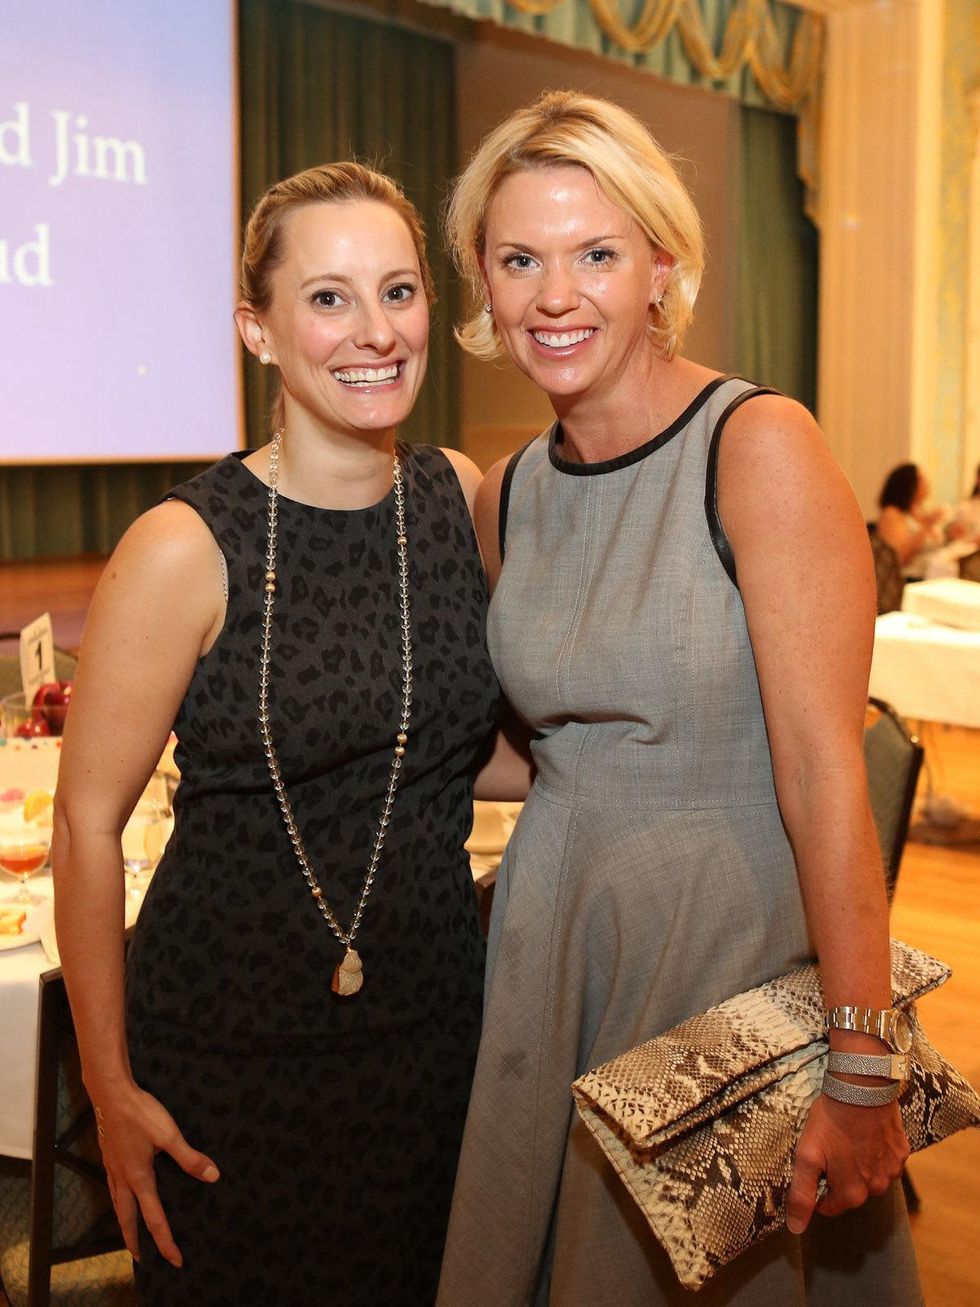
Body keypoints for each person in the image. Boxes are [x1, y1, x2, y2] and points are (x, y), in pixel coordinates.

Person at [437, 92, 923, 1305]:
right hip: (557, 944)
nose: (555, 296)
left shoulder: (753, 443)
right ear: (483, 288)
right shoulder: (508, 495)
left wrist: (862, 1061)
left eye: (595, 254)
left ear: (660, 264)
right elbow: (539, 744)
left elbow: (826, 776)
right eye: (518, 260)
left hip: (720, 948)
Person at [52, 162, 499, 1306]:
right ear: (257, 330)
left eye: (397, 291)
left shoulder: (458, 496)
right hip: (228, 1053)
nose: (374, 330)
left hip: (431, 1035)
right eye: (328, 297)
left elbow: (454, 740)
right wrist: (108, 1083)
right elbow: (87, 823)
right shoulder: (182, 546)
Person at [874, 462, 950, 577]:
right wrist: (927, 526)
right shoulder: (892, 514)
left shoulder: (920, 512)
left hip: (935, 576)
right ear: (908, 485)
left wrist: (950, 536)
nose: (927, 483)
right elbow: (899, 558)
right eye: (921, 480)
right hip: (910, 580)